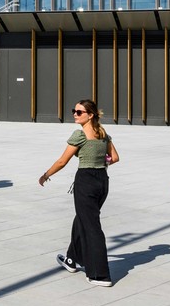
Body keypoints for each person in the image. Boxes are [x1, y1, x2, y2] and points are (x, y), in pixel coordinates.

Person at [39, 99, 120, 287]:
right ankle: (72, 259)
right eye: (74, 110)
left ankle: (99, 275)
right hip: (102, 181)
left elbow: (62, 161)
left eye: (79, 112)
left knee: (92, 227)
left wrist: (45, 175)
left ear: (90, 115)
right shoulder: (103, 133)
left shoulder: (80, 135)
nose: (75, 114)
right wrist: (100, 162)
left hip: (86, 181)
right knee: (83, 218)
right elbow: (115, 158)